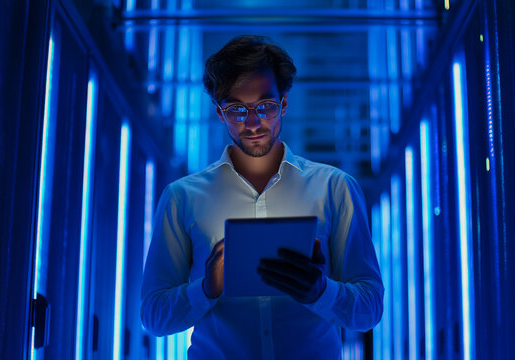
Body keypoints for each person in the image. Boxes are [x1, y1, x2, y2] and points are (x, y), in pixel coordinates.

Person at [141, 35, 383, 360]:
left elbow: (370, 310)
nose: (253, 123)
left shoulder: (335, 188)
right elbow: (153, 316)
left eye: (265, 106)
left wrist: (320, 291)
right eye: (236, 109)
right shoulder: (181, 198)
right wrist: (206, 289)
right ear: (219, 113)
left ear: (283, 104)